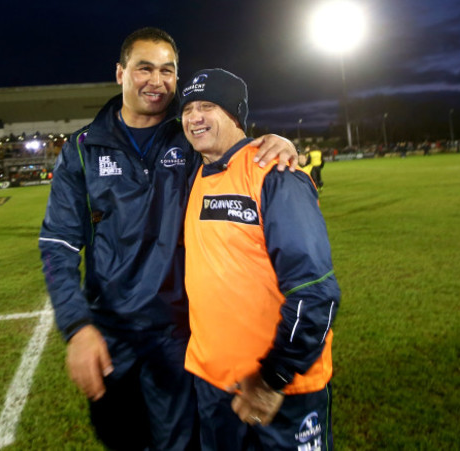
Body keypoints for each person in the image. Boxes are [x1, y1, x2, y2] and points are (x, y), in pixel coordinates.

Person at [38, 28, 298, 451]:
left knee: (182, 443)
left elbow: (238, 151)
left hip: (180, 333)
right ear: (120, 73)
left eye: (167, 71)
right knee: (120, 439)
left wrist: (278, 142)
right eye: (144, 68)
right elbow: (58, 243)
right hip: (110, 334)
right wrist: (77, 326)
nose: (156, 81)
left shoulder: (191, 137)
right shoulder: (83, 149)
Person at [181, 68, 340, 450]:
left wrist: (274, 378)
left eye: (208, 106)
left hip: (278, 393)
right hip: (214, 385)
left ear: (236, 114)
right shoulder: (196, 175)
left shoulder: (276, 175)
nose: (194, 117)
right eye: (187, 109)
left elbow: (316, 294)